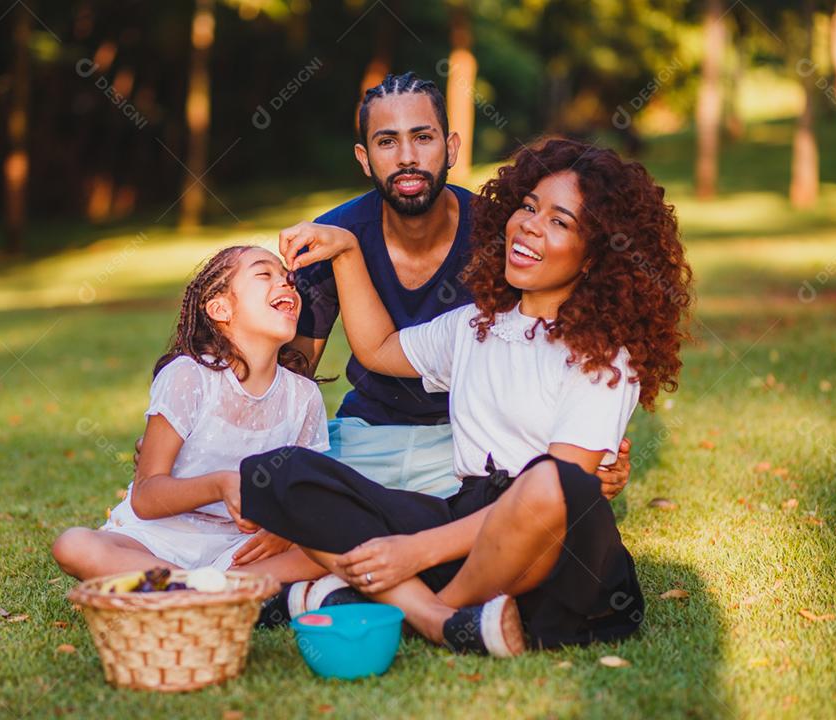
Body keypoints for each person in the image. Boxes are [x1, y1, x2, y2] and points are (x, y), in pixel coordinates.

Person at [239, 138, 693, 655]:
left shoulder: (604, 356)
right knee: (280, 472)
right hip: (463, 520)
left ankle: (416, 612)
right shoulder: (474, 326)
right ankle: (442, 620)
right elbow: (380, 349)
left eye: (560, 222)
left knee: (551, 482)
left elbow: (565, 493)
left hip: (552, 548)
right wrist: (346, 251)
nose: (529, 226)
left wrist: (413, 551)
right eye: (528, 207)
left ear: (595, 258)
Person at [280, 71, 634, 499]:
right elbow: (293, 374)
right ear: (363, 157)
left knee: (506, 517)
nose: (406, 157)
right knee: (282, 496)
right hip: (365, 433)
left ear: (451, 148)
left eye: (423, 137)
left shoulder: (503, 232)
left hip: (468, 445)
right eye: (387, 142)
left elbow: (571, 339)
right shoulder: (335, 234)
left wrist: (595, 448)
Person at [52, 246, 330, 581]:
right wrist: (219, 485)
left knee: (335, 543)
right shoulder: (189, 376)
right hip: (157, 542)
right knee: (74, 546)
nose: (286, 284)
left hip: (240, 550)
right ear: (220, 308)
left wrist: (284, 532)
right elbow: (146, 496)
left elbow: (304, 493)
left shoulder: (303, 396)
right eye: (264, 274)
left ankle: (201, 590)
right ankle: (214, 589)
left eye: (288, 278)